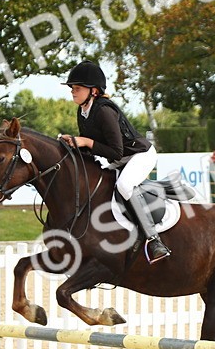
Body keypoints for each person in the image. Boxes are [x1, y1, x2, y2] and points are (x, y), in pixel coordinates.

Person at [57, 60, 171, 264]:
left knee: (124, 186)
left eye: (77, 88)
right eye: (72, 88)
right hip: (121, 159)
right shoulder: (83, 111)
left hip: (140, 155)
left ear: (93, 91)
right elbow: (93, 148)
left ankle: (154, 241)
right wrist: (74, 144)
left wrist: (86, 141)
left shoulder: (103, 111)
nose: (73, 92)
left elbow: (116, 151)